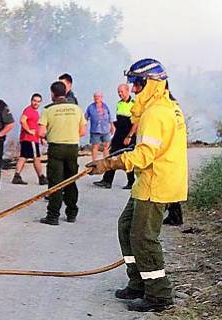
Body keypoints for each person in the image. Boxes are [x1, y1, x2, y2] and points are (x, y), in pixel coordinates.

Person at [87, 58, 187, 312]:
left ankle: (159, 294)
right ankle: (138, 282)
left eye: (137, 84)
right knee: (126, 226)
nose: (132, 89)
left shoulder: (155, 113)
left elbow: (143, 156)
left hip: (156, 184)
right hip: (150, 182)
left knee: (143, 237)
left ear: (152, 84)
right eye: (132, 83)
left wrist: (107, 164)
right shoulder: (167, 106)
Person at [37, 81, 86, 225]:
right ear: (65, 92)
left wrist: (51, 134)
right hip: (72, 148)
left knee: (55, 183)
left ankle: (53, 216)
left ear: (52, 93)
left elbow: (41, 132)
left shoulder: (47, 110)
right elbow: (83, 131)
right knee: (71, 180)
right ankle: (71, 213)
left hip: (56, 148)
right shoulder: (76, 109)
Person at [94, 84, 136, 189]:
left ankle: (131, 182)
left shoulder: (134, 104)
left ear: (127, 91)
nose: (119, 93)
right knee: (112, 157)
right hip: (118, 135)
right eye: (118, 92)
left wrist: (129, 136)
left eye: (121, 91)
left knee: (128, 159)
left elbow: (136, 123)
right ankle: (107, 181)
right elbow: (120, 120)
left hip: (128, 135)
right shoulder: (119, 103)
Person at [14, 93, 46, 185]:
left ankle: (17, 176)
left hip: (28, 138)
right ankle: (41, 177)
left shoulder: (35, 112)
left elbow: (37, 127)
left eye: (38, 101)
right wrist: (28, 131)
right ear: (31, 101)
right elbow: (22, 120)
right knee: (36, 157)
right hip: (30, 138)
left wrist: (41, 138)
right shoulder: (29, 110)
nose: (36, 103)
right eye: (34, 101)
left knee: (23, 157)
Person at [85, 92, 115, 161]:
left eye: (98, 96)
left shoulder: (105, 106)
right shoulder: (90, 107)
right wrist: (84, 127)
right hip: (95, 130)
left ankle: (106, 161)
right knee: (95, 147)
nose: (97, 98)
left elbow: (110, 117)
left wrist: (112, 126)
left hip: (105, 130)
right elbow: (86, 117)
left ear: (101, 97)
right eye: (95, 96)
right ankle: (94, 161)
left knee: (106, 146)